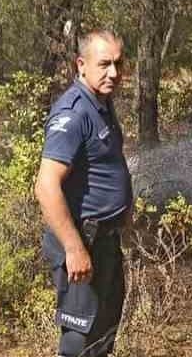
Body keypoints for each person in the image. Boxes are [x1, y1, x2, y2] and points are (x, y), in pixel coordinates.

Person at [33, 30, 133, 357]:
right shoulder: (73, 113)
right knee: (79, 340)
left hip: (104, 242)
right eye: (104, 64)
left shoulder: (101, 104)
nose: (114, 73)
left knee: (104, 332)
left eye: (118, 64)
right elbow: (46, 186)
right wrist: (74, 249)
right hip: (83, 244)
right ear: (81, 65)